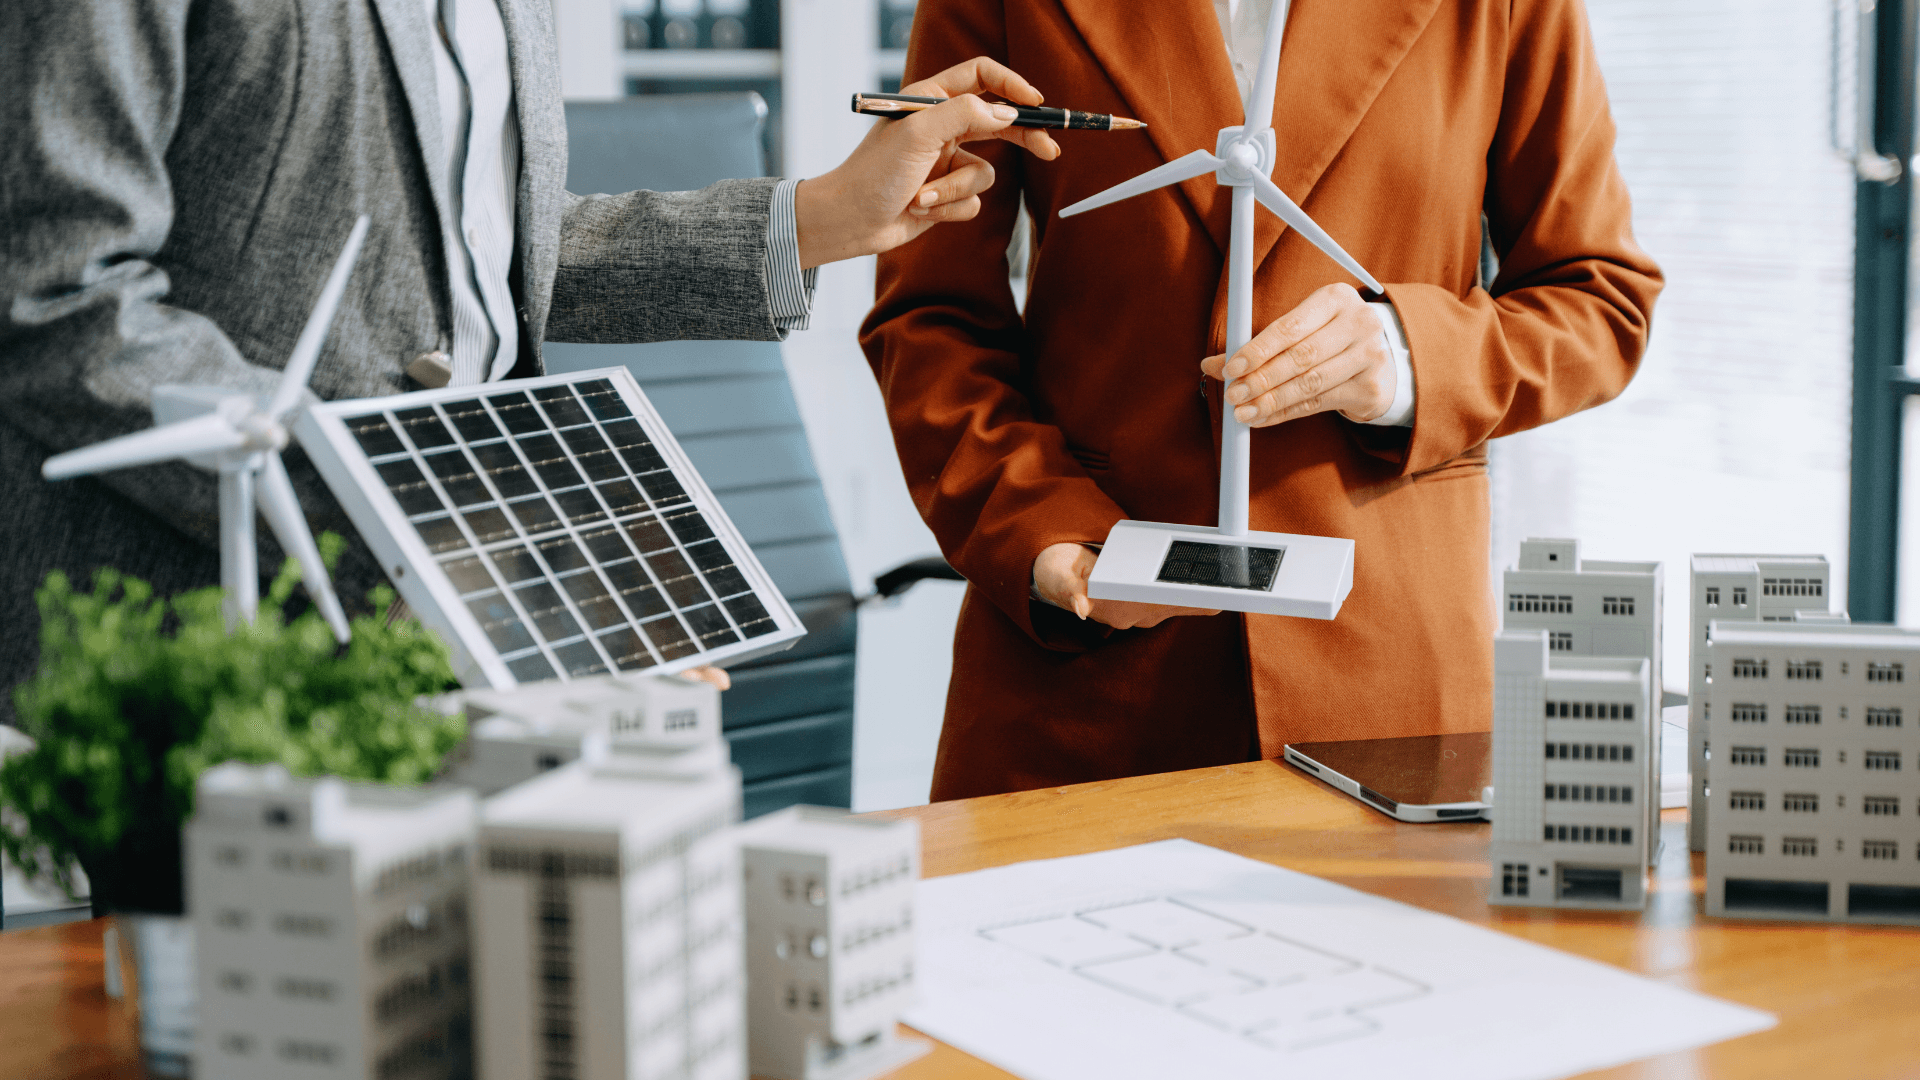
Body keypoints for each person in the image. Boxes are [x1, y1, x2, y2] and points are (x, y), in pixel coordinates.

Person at [0, 0, 1060, 714]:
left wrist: (821, 216)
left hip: (466, 629)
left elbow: (480, 259)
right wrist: (462, 552)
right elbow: (54, 291)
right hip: (193, 643)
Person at [861, 0, 1664, 799]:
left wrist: (1408, 354)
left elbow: (1600, 298)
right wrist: (1043, 533)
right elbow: (930, 316)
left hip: (1388, 671)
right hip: (1090, 671)